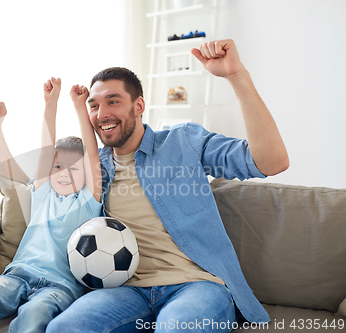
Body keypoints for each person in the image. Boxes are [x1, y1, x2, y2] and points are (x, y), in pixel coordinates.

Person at [46, 39, 289, 333]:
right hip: (127, 291)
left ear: (139, 106)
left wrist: (236, 76)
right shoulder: (96, 170)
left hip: (196, 287)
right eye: (94, 106)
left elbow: (271, 161)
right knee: (64, 328)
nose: (102, 114)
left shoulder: (182, 141)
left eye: (113, 101)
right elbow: (42, 181)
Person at [0, 78, 103, 333]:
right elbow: (46, 150)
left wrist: (80, 106)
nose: (64, 173)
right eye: (58, 167)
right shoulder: (42, 193)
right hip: (17, 276)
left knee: (34, 316)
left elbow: (92, 155)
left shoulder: (89, 203)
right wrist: (50, 103)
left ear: (87, 173)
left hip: (59, 287)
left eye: (74, 168)